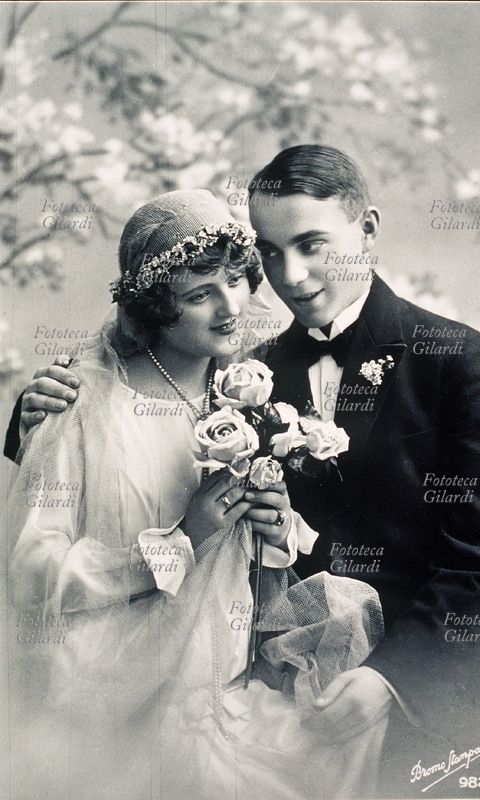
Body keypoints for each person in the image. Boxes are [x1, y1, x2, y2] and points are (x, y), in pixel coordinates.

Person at [7, 146, 480, 797]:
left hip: (422, 690)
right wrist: (34, 417)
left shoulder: (454, 360)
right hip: (249, 684)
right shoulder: (252, 372)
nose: (292, 277)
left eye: (311, 244)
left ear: (368, 230)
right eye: (271, 254)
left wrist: (393, 680)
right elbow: (127, 459)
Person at [5, 189, 387, 800]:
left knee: (353, 743)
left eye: (237, 280)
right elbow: (31, 574)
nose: (231, 305)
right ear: (155, 307)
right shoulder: (81, 403)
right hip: (118, 702)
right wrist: (180, 543)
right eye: (198, 293)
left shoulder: (249, 394)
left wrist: (278, 528)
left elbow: (251, 585)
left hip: (227, 693)